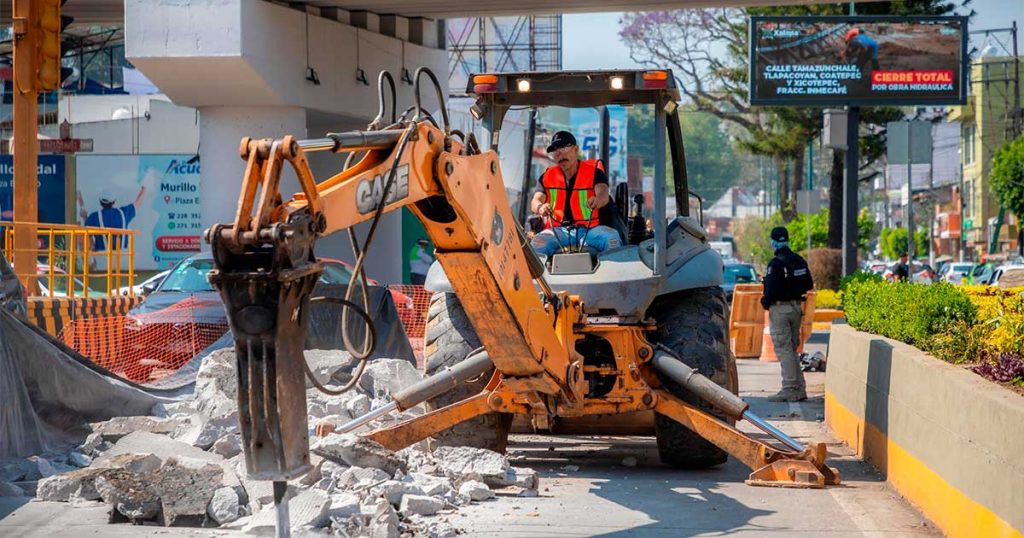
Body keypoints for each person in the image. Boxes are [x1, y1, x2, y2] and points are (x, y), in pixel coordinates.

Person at [529, 131, 621, 258]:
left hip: (590, 230)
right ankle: (538, 278)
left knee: (612, 238)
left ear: (576, 149)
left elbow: (603, 194)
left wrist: (597, 200)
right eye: (556, 152)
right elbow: (535, 201)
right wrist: (540, 207)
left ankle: (612, 275)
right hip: (558, 231)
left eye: (564, 148)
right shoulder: (547, 176)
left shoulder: (595, 173)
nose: (560, 155)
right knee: (537, 243)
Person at [761, 226, 814, 402]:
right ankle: (800, 388)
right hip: (796, 308)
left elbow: (771, 290)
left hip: (780, 309)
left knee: (784, 350)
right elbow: (808, 283)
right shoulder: (798, 260)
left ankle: (790, 388)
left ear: (773, 241)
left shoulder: (775, 264)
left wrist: (765, 302)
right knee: (791, 349)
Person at [79, 186, 146, 252]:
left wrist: (84, 217)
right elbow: (138, 203)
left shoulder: (94, 217)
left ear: (100, 202)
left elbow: (83, 237)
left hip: (102, 255)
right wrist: (143, 190)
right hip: (124, 256)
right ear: (114, 201)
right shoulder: (123, 213)